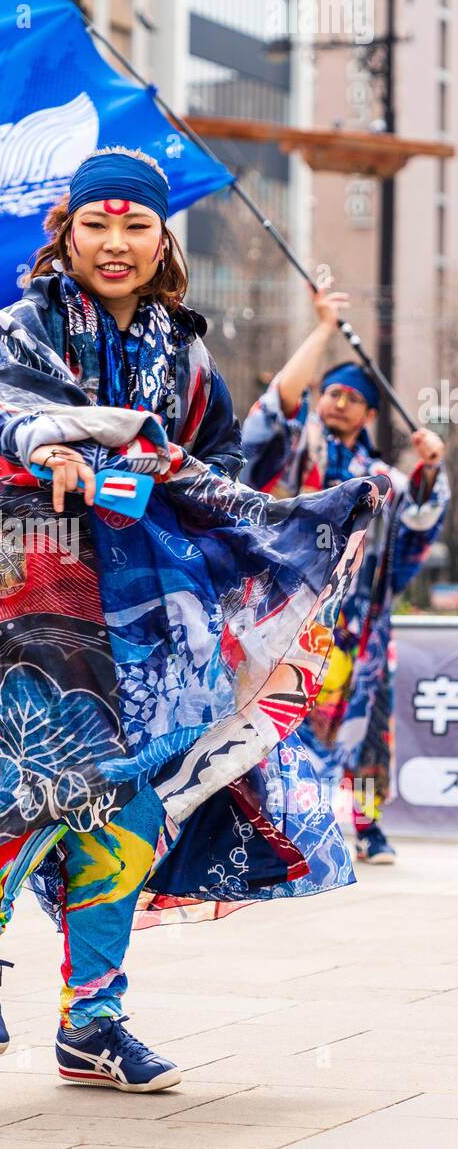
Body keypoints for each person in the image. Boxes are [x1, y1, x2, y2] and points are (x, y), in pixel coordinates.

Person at [0, 146, 390, 1093]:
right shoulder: (24, 321)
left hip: (143, 580)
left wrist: (305, 517)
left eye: (136, 223)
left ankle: (91, 1021)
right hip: (30, 563)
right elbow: (3, 404)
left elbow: (209, 472)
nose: (116, 242)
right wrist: (57, 443)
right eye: (97, 222)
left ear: (162, 235)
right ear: (69, 230)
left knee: (135, 796)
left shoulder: (186, 351)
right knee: (69, 757)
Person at [240, 280, 449, 865]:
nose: (336, 402)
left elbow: (417, 526)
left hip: (356, 628)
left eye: (350, 397)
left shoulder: (384, 478)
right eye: (329, 392)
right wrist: (323, 329)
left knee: (364, 726)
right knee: (273, 722)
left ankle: (368, 825)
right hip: (287, 616)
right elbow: (272, 418)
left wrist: (430, 468)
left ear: (371, 412)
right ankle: (278, 831)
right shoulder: (299, 452)